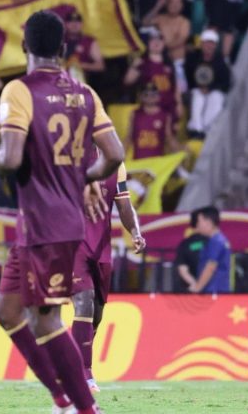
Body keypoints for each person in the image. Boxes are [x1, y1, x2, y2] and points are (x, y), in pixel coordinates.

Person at [0, 10, 124, 414]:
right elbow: (114, 154)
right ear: (63, 47)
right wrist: (83, 176)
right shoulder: (85, 93)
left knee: (45, 320)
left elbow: (11, 157)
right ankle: (63, 399)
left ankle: (83, 407)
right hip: (47, 223)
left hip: (46, 223)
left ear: (24, 45)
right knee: (8, 311)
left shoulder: (18, 91)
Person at [72, 158, 145, 392]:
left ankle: (72, 358)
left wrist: (135, 232)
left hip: (101, 248)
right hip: (73, 244)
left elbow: (124, 205)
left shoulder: (116, 164)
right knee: (83, 303)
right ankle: (83, 374)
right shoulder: (70, 156)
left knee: (97, 312)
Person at [128, 83, 177, 158]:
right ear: (141, 96)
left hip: (157, 161)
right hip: (138, 161)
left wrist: (180, 150)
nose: (150, 97)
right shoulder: (135, 114)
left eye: (153, 95)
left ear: (158, 96)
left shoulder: (165, 116)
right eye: (146, 94)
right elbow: (129, 137)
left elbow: (169, 138)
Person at [190, 206, 231, 294]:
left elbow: (210, 267)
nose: (197, 225)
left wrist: (197, 288)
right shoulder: (216, 240)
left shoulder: (216, 241)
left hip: (214, 292)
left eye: (199, 221)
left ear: (209, 222)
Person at [175, 207, 213, 291]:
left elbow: (182, 270)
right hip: (212, 290)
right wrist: (200, 286)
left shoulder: (184, 244)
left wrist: (195, 285)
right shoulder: (212, 241)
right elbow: (212, 267)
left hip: (192, 291)